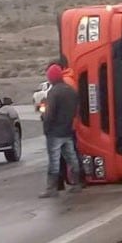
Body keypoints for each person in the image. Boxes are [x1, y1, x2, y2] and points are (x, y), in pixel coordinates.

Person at [39, 64, 82, 198]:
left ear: (51, 77)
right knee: (72, 158)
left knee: (54, 161)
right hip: (67, 129)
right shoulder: (71, 91)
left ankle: (51, 189)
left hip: (55, 132)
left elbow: (49, 114)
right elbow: (76, 110)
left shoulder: (54, 92)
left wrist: (46, 125)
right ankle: (77, 183)